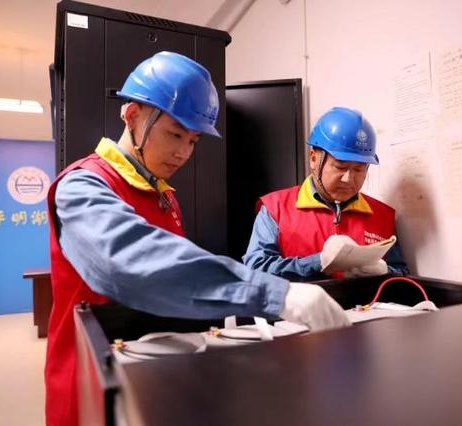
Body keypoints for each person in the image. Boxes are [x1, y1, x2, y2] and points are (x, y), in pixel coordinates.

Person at [44, 51, 350, 426]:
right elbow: (132, 263)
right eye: (175, 134)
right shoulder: (82, 186)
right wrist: (277, 294)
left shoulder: (163, 195)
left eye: (193, 140)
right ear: (133, 116)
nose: (183, 153)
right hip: (92, 386)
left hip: (152, 376)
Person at [243, 107, 409, 280]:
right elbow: (256, 269)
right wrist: (318, 262)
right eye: (340, 167)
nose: (348, 179)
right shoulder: (276, 209)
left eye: (359, 170)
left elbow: (402, 273)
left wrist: (386, 272)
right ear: (314, 159)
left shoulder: (382, 215)